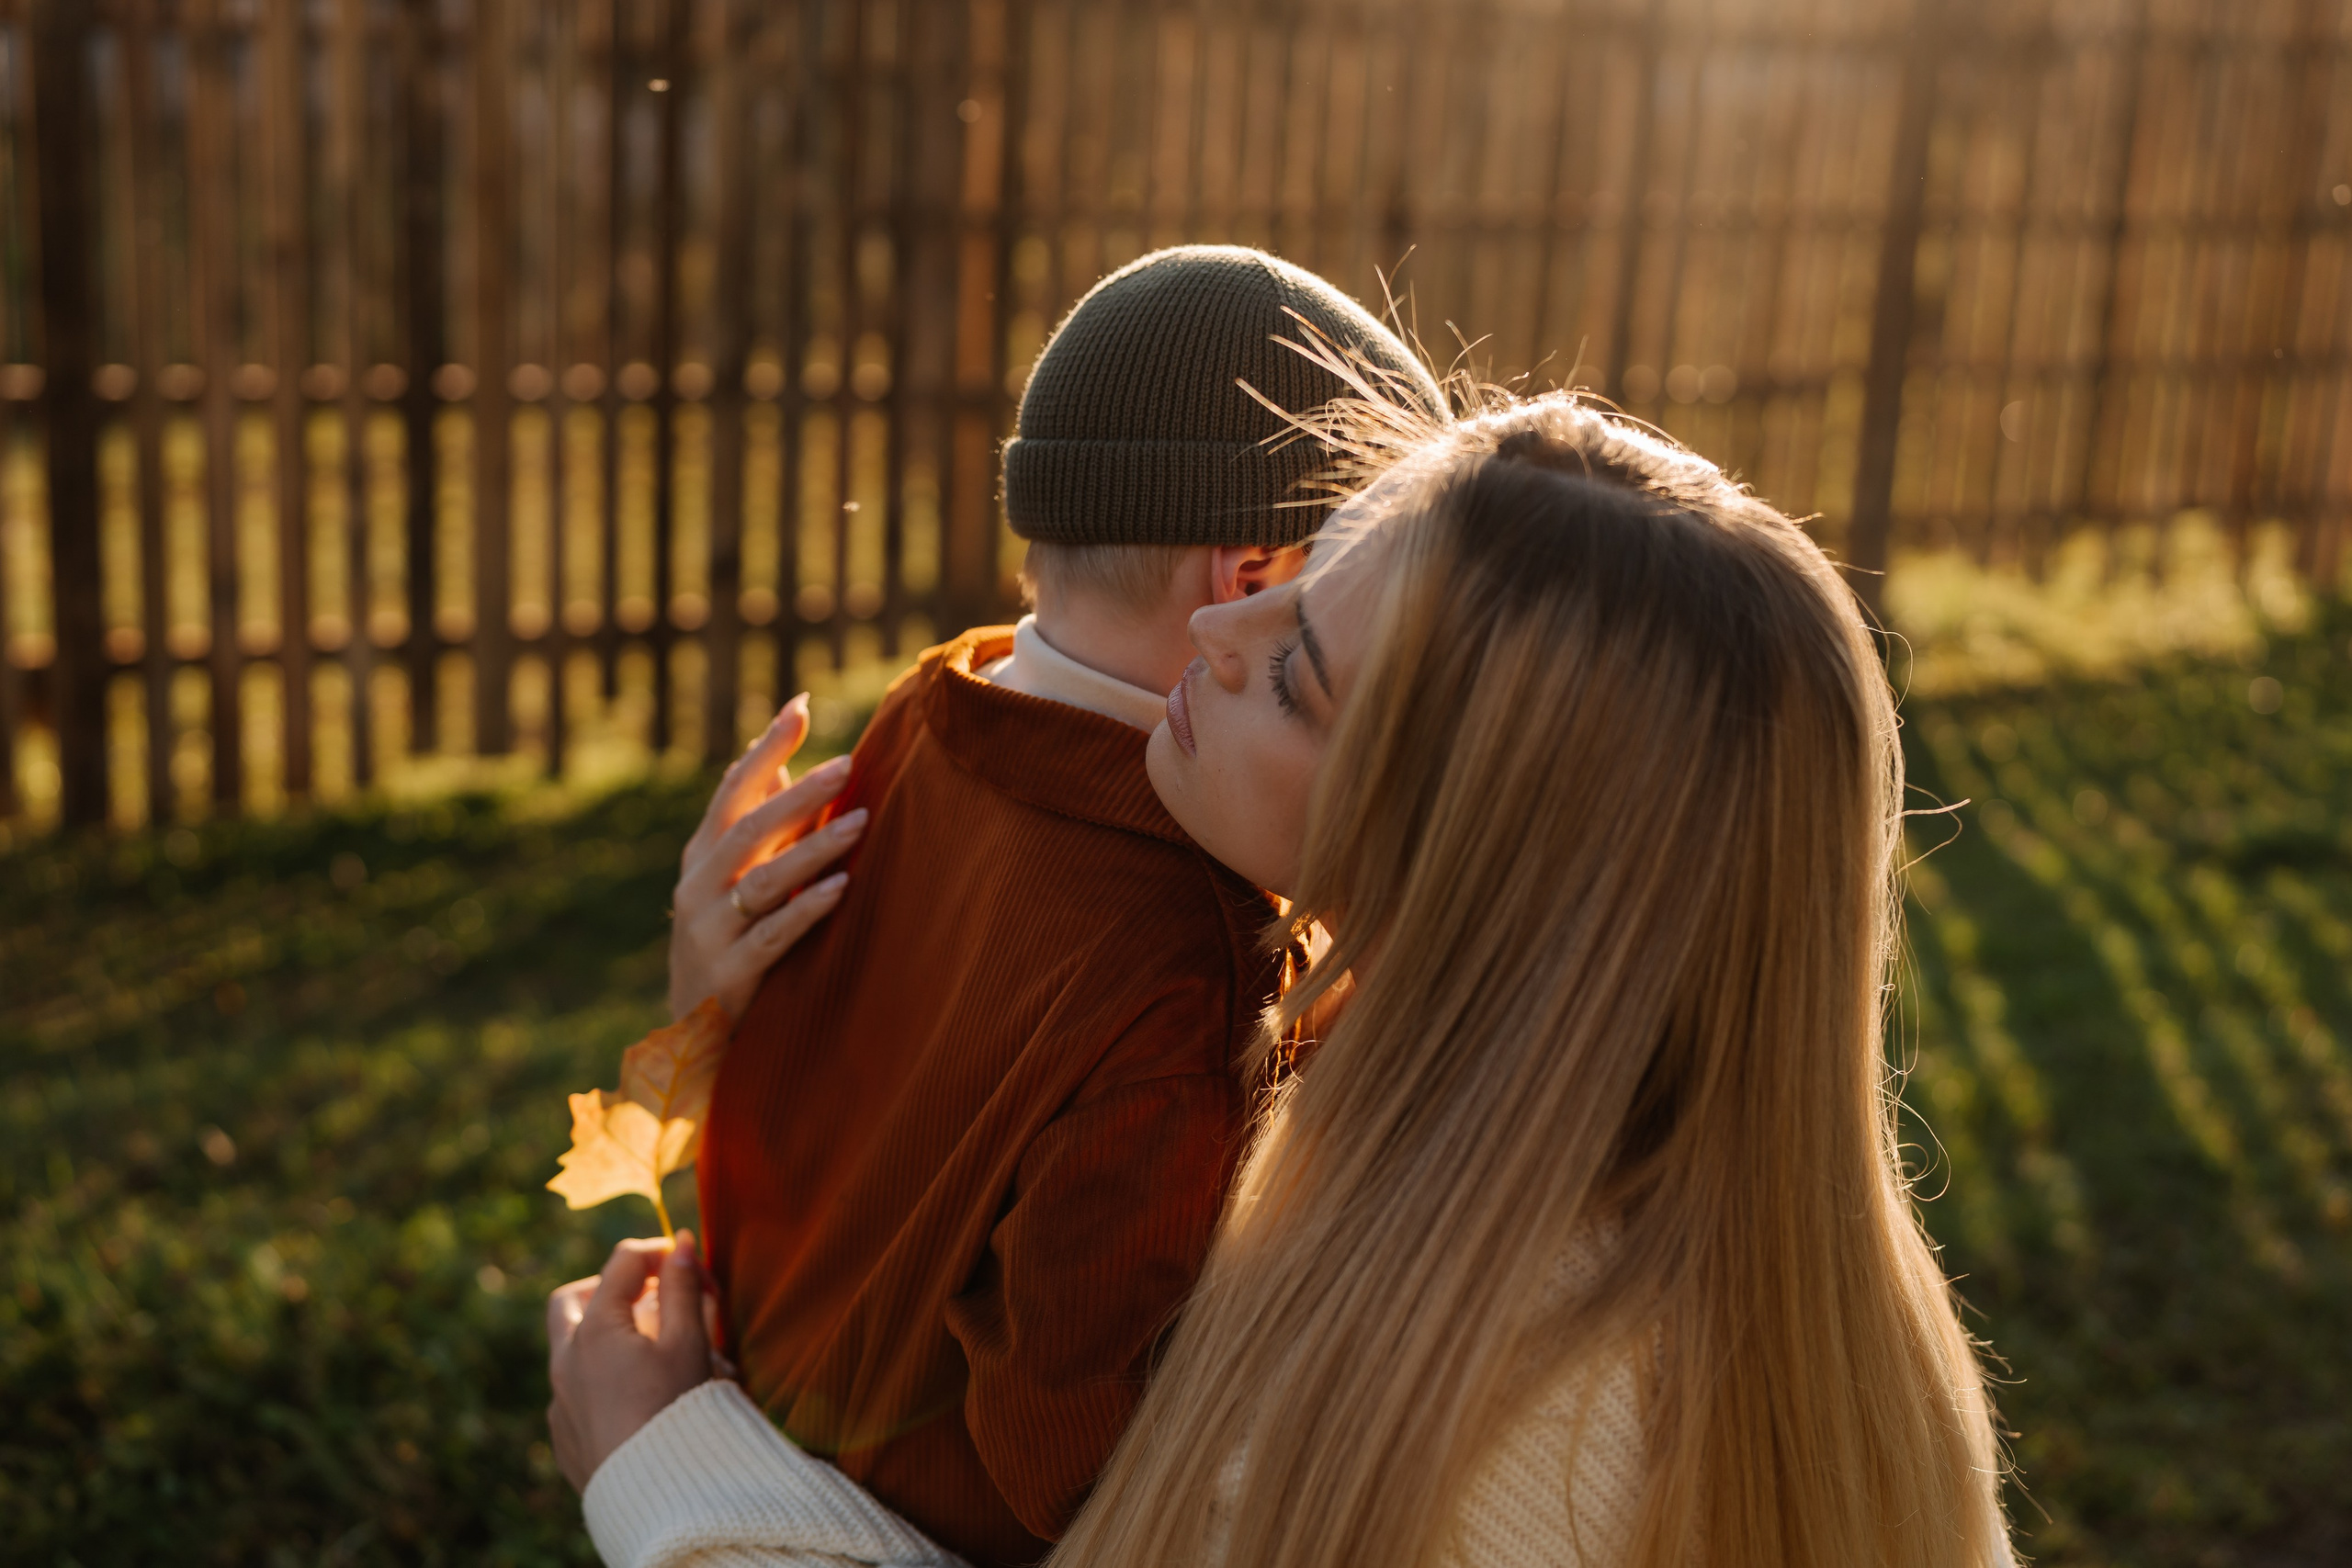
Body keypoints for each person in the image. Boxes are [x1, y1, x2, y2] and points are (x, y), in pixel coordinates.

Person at [548, 388, 2018, 1568]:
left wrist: (664, 1468)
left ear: (1476, 861)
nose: (1212, 628)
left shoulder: (1502, 1430)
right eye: (1289, 581)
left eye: (1303, 673)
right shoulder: (1748, 1262)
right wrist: (738, 1007)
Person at [597, 245, 1447, 1568]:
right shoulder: (1188, 955)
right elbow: (1078, 1457)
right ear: (1253, 575)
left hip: (762, 1382)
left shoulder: (940, 705)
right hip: (898, 1527)